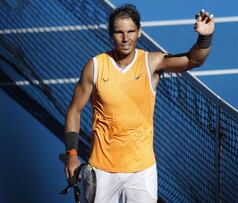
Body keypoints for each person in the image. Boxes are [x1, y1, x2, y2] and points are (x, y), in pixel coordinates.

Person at [64, 4, 214, 203]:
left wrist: (205, 37)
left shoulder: (151, 63)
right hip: (102, 170)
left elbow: (192, 60)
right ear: (111, 34)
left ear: (139, 32)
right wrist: (72, 155)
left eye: (130, 32)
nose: (126, 39)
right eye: (119, 32)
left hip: (141, 172)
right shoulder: (95, 67)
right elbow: (75, 110)